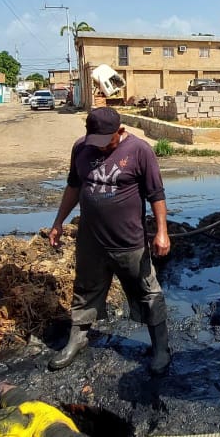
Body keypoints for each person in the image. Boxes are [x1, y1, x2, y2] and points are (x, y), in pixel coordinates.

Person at [47, 107, 171, 374]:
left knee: (147, 292)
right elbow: (73, 187)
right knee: (85, 290)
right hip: (91, 241)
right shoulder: (81, 148)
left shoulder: (140, 151)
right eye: (97, 142)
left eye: (108, 142)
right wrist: (58, 222)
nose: (102, 148)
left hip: (129, 241)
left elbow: (156, 194)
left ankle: (160, 347)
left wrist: (162, 231)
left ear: (121, 131)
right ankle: (77, 338)